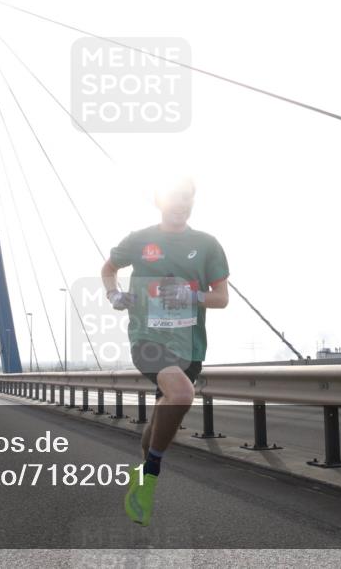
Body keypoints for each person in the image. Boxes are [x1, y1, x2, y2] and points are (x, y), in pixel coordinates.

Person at [101, 176, 229, 526]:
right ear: (159, 200)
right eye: (175, 197)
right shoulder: (140, 239)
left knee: (163, 413)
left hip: (188, 345)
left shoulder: (207, 245)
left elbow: (221, 298)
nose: (181, 204)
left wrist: (194, 296)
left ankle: (142, 473)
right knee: (182, 393)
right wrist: (113, 294)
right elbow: (108, 269)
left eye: (187, 198)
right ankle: (152, 473)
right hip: (147, 338)